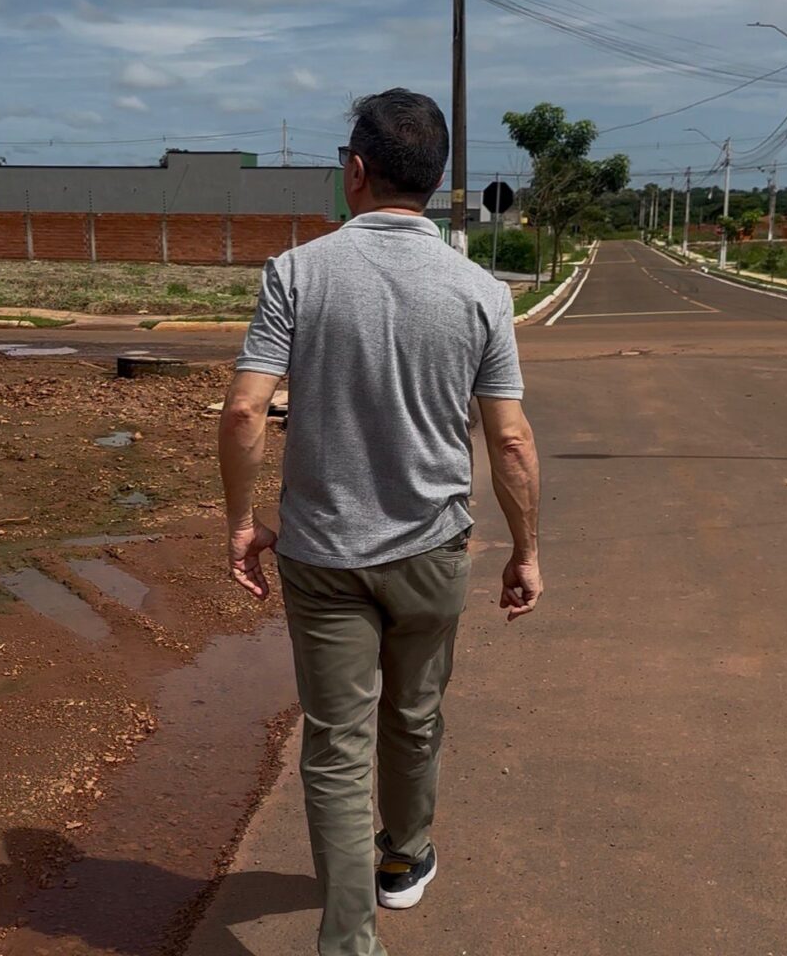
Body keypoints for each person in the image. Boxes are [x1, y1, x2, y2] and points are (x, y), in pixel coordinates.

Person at [218, 87, 542, 956]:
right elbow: (510, 439)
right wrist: (525, 550)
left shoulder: (297, 273)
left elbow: (246, 412)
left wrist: (243, 522)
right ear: (435, 182)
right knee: (415, 715)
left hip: (322, 555)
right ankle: (403, 858)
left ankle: (350, 943)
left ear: (355, 171)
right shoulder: (482, 292)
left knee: (335, 746)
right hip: (433, 551)